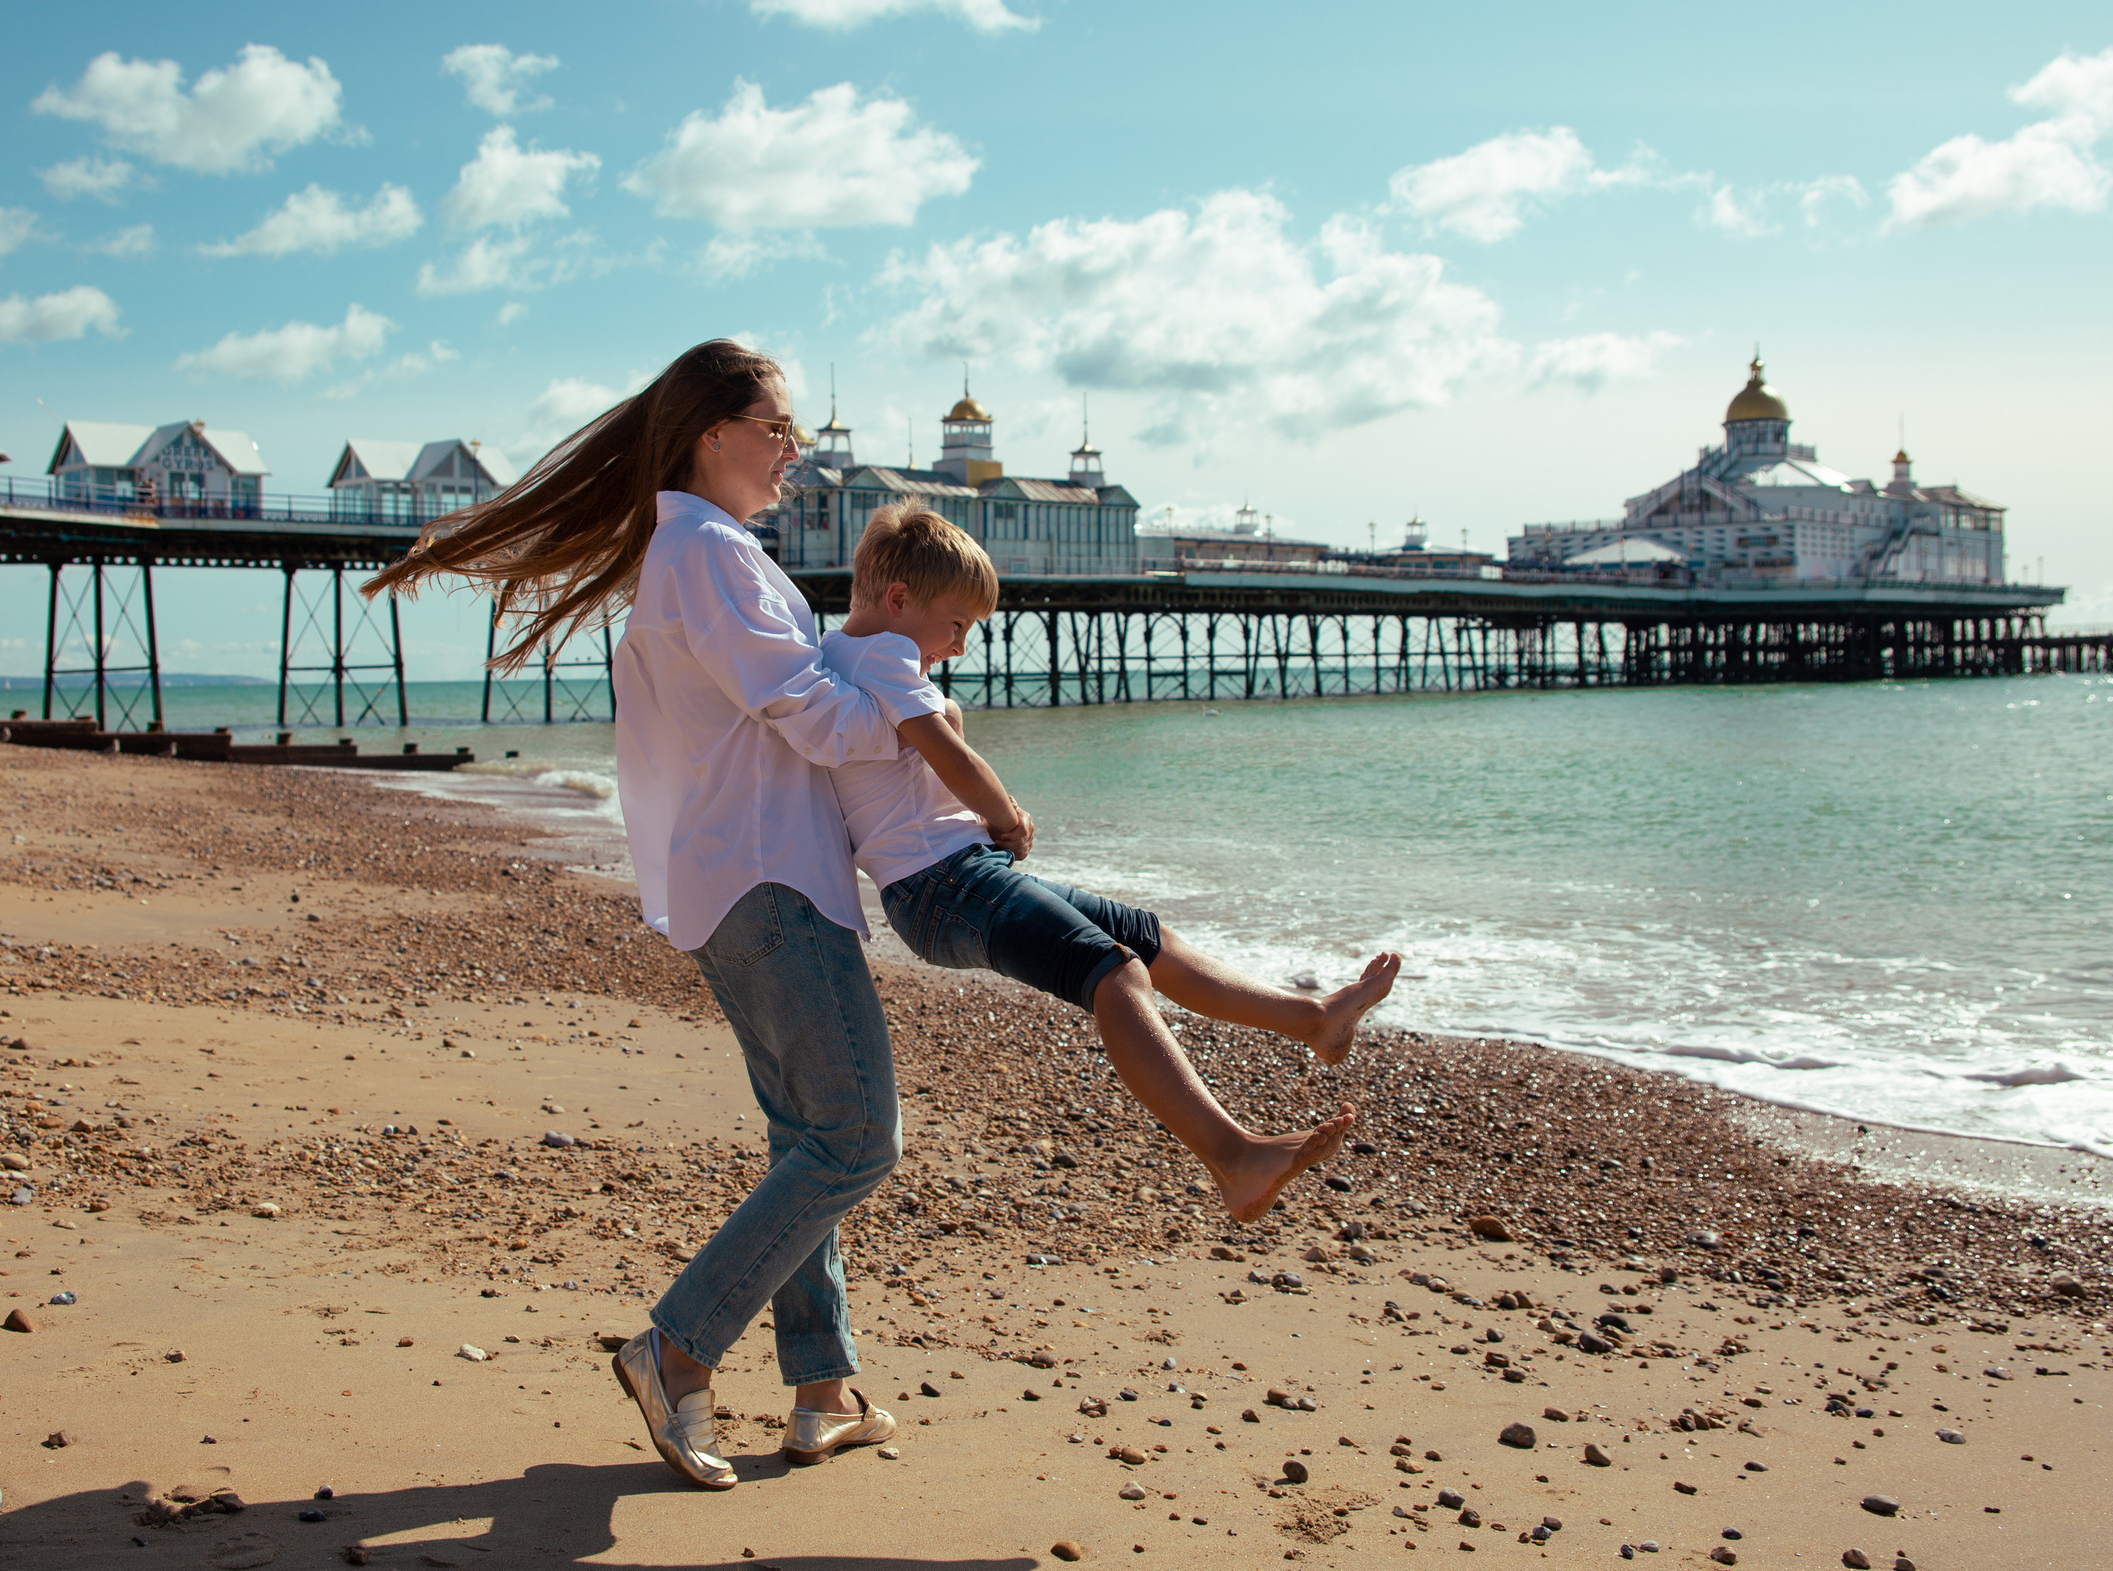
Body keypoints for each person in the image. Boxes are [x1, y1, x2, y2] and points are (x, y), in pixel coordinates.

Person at [364, 340, 941, 1491]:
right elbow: (810, 714)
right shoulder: (709, 553)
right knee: (855, 1138)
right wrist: (925, 712)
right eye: (777, 430)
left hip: (739, 880)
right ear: (708, 435)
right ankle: (674, 1352)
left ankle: (822, 1386)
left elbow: (787, 701)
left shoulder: (694, 553)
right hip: (768, 883)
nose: (794, 453)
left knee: (803, 1138)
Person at [819, 504, 1398, 1220]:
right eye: (958, 623)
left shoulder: (848, 653)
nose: (962, 646)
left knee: (1143, 936)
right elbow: (953, 758)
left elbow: (923, 764)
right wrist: (1009, 818)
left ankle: (1312, 1017)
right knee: (1114, 972)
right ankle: (1235, 1157)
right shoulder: (885, 656)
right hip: (941, 886)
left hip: (953, 881)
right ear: (900, 600)